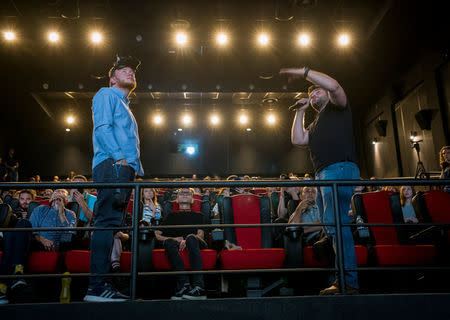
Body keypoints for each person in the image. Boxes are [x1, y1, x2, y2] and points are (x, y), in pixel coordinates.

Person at [280, 66, 360, 295]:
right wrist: (300, 111)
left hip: (339, 169)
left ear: (325, 92)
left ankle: (349, 282)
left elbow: (334, 85)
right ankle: (343, 279)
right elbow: (297, 139)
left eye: (317, 92)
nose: (313, 95)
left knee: (336, 224)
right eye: (310, 94)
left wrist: (304, 72)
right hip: (324, 174)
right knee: (331, 225)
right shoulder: (315, 123)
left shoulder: (337, 107)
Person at [84, 55, 144, 302]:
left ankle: (102, 285)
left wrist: (134, 168)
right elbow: (102, 127)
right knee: (106, 223)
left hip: (123, 168)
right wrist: (120, 158)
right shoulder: (106, 95)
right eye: (124, 70)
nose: (130, 72)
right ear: (112, 79)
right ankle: (96, 287)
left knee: (111, 226)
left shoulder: (125, 104)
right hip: (113, 165)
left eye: (132, 70)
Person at [155, 188, 210, 300]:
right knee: (169, 242)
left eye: (188, 193)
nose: (184, 194)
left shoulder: (199, 215)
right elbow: (157, 234)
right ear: (177, 199)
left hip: (195, 243)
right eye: (182, 193)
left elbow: (200, 235)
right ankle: (184, 285)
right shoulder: (171, 216)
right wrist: (174, 239)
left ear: (192, 199)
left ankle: (199, 288)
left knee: (191, 238)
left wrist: (186, 240)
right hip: (176, 245)